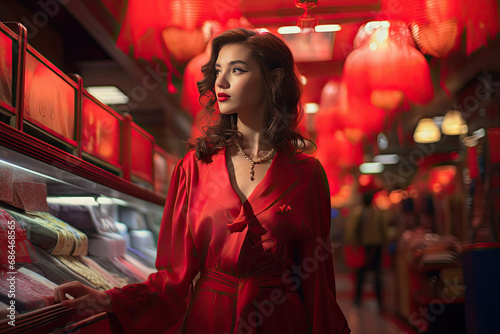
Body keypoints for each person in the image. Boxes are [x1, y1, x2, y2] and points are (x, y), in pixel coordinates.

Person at [54, 28, 350, 334]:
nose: (221, 82)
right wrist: (106, 299)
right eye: (219, 71)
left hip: (281, 319)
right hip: (210, 319)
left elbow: (317, 280)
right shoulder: (194, 168)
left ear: (273, 80)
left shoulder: (307, 173)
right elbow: (174, 276)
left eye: (237, 70)